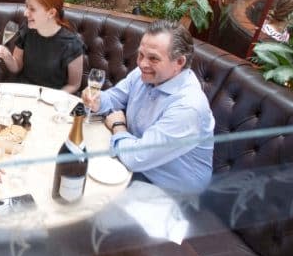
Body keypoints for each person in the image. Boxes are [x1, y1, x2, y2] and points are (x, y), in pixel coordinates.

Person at [82, 20, 215, 193]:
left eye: (153, 58)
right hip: (135, 166)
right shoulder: (144, 73)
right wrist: (97, 101)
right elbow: (114, 98)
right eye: (141, 55)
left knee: (87, 196)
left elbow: (136, 158)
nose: (142, 64)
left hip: (170, 192)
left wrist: (118, 127)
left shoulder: (188, 107)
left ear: (179, 62)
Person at [0, 0, 84, 93]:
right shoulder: (27, 30)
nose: (26, 13)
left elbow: (74, 85)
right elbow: (16, 67)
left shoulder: (72, 44)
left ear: (51, 13)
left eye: (32, 9)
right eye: (26, 7)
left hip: (53, 100)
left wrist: (51, 98)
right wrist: (7, 56)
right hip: (24, 94)